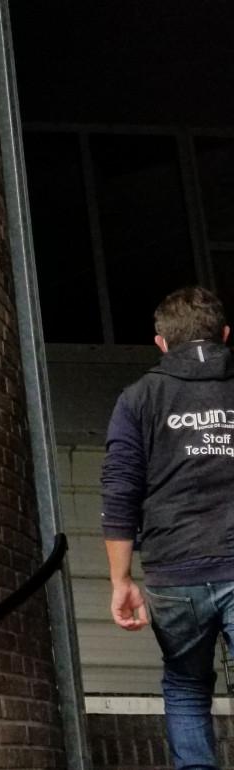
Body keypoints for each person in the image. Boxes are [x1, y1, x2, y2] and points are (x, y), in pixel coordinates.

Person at [103, 285, 234, 770]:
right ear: (224, 335)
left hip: (173, 572)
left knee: (184, 684)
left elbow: (119, 490)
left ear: (161, 343)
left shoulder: (139, 398)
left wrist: (121, 580)